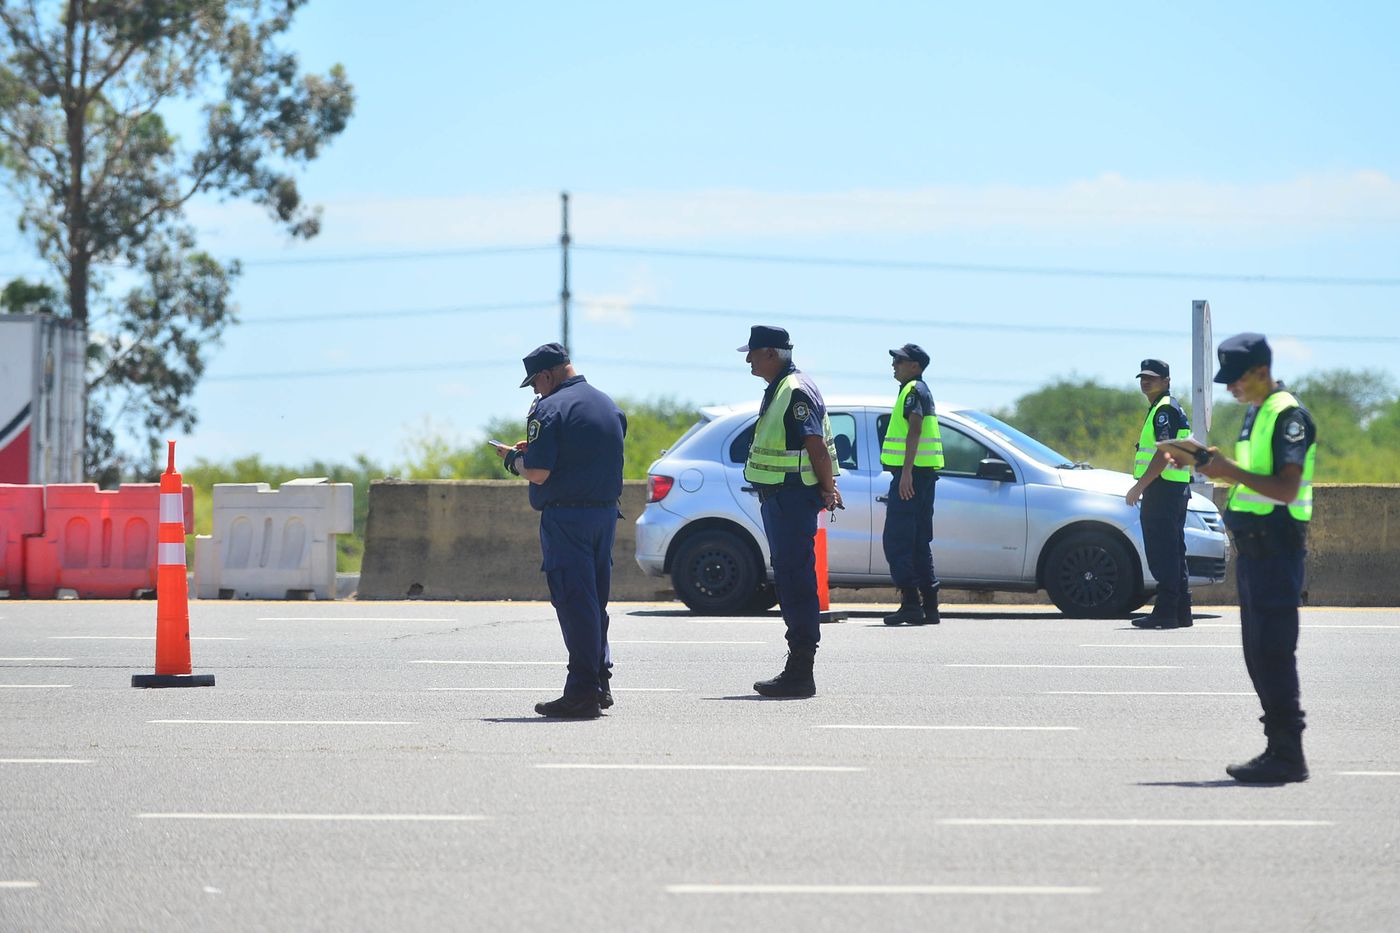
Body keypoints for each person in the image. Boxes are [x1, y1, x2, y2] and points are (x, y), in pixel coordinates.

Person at [1170, 333, 1316, 783]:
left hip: (1277, 552)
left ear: (1260, 371)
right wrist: (1203, 465)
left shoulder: (1288, 414)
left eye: (1235, 379)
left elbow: (1286, 488)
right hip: (1255, 555)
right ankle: (1279, 749)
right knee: (1258, 654)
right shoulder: (1257, 413)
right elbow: (1254, 480)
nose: (1229, 388)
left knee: (1273, 653)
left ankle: (1288, 754)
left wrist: (1225, 470)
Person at [497, 342, 627, 719]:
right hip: (604, 517)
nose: (535, 391)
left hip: (567, 520)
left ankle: (581, 692)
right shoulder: (607, 404)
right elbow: (585, 454)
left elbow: (537, 472)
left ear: (548, 375)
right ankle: (599, 682)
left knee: (575, 604)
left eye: (535, 382)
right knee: (594, 605)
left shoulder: (549, 408)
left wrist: (513, 459)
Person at [739, 325, 843, 697]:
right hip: (784, 497)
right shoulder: (785, 387)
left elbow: (814, 445)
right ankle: (798, 667)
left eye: (752, 353)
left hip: (791, 498)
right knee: (790, 578)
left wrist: (829, 488)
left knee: (795, 581)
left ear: (770, 353)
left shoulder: (794, 390)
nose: (748, 359)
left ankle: (801, 670)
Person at [1125, 358, 1194, 629]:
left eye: (1152, 377)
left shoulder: (1164, 409)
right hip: (1172, 488)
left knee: (1163, 552)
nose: (1145, 381)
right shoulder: (1163, 407)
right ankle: (1180, 611)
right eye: (1142, 377)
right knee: (1175, 551)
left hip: (1162, 488)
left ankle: (1166, 612)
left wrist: (1139, 486)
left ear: (1166, 381)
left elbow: (1165, 452)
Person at [879, 343, 944, 626]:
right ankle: (929, 607)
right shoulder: (919, 389)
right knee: (918, 542)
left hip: (912, 477)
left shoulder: (914, 390)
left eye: (900, 360)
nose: (894, 364)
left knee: (898, 541)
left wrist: (905, 473)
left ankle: (910, 605)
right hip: (923, 475)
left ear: (915, 366)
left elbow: (914, 428)